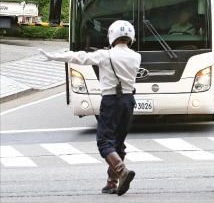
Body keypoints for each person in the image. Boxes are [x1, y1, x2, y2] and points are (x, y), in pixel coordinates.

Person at [38, 20, 141, 196]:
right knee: (118, 143)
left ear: (112, 36)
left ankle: (122, 171)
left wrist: (55, 56)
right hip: (129, 100)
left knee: (104, 141)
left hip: (111, 100)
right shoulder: (136, 56)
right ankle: (112, 182)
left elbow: (80, 57)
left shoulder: (105, 55)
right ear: (131, 37)